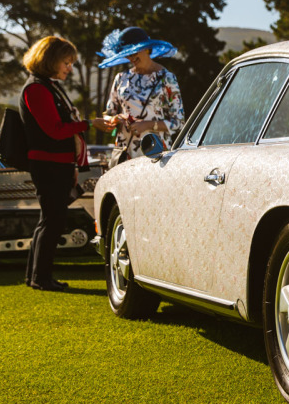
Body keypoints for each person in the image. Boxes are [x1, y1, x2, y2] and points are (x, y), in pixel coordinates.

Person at [19, 37, 113, 291]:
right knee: (52, 220)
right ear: (50, 60)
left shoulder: (47, 86)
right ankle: (41, 278)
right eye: (66, 63)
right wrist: (89, 124)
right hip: (48, 164)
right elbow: (55, 130)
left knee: (49, 220)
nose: (70, 68)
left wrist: (71, 165)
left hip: (57, 163)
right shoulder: (37, 88)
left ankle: (36, 276)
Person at [97, 26, 186, 166]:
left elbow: (178, 122)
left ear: (146, 48)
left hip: (155, 152)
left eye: (134, 52)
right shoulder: (121, 78)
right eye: (127, 54)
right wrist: (116, 119)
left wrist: (147, 125)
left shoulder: (167, 78)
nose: (131, 58)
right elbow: (108, 114)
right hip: (125, 152)